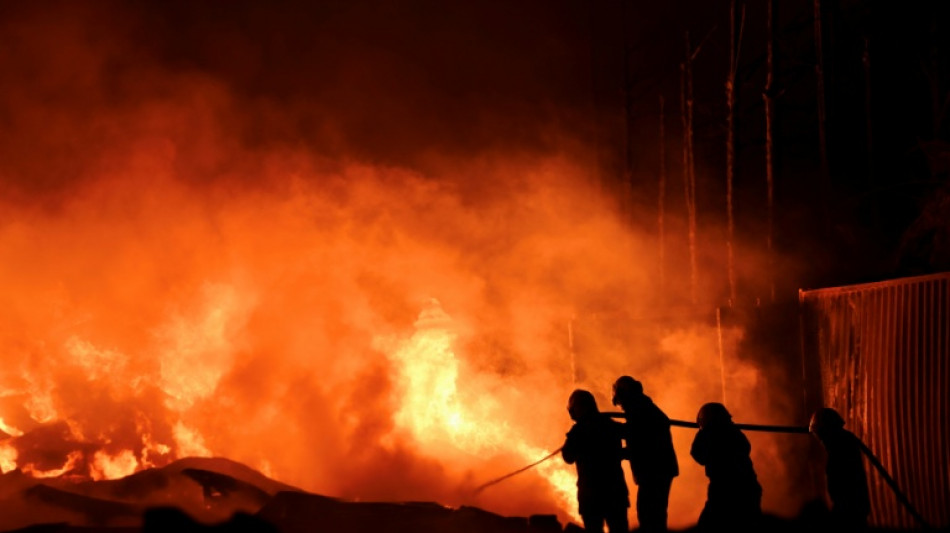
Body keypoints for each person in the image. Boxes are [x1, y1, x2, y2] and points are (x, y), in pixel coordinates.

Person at [611, 376, 678, 533]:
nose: (621, 407)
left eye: (620, 402)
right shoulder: (644, 408)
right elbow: (639, 440)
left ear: (624, 395)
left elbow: (636, 437)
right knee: (653, 514)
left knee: (650, 515)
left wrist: (607, 427)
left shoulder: (641, 411)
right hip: (658, 469)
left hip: (654, 471)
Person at [562, 389, 630, 533]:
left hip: (590, 495)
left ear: (575, 409)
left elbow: (568, 457)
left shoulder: (578, 431)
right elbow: (633, 435)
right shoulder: (610, 425)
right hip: (615, 491)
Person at [689, 402, 762, 532]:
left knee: (709, 527)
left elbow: (698, 455)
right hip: (748, 487)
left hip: (724, 489)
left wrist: (702, 432)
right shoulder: (734, 432)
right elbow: (746, 448)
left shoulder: (711, 434)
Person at [809, 407, 871, 531]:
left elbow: (841, 486)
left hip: (849, 511)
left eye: (820, 436)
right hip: (853, 509)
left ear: (826, 431)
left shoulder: (840, 449)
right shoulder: (845, 442)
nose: (821, 441)